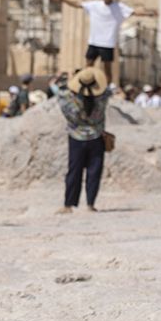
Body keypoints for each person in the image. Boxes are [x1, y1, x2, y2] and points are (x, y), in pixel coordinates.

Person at [59, 0, 149, 86]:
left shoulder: (119, 7)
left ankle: (107, 86)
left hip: (107, 42)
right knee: (89, 64)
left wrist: (149, 13)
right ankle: (87, 83)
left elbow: (134, 12)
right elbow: (77, 4)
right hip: (94, 41)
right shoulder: (95, 5)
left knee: (107, 67)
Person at [53, 67, 112, 213]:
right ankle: (90, 204)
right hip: (96, 137)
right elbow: (106, 89)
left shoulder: (69, 100)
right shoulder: (102, 98)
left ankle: (69, 204)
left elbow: (60, 92)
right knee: (94, 171)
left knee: (74, 171)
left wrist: (67, 80)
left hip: (76, 137)